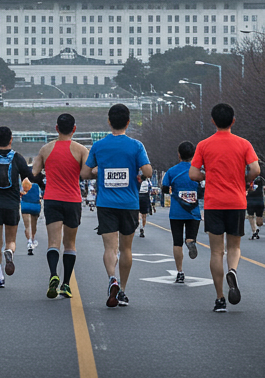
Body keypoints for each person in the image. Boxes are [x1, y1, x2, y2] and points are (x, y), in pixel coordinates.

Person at [189, 103, 261, 313]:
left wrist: (207, 177)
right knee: (234, 247)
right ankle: (233, 270)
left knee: (216, 252)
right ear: (233, 121)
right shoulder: (244, 144)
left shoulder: (204, 145)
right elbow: (255, 169)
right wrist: (244, 180)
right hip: (237, 201)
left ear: (213, 121)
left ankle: (220, 298)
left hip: (214, 203)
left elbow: (193, 174)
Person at [84, 104, 151, 308]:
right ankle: (122, 290)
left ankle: (111, 277)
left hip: (106, 204)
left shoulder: (98, 146)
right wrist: (137, 171)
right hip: (129, 203)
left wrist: (98, 172)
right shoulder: (136, 146)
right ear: (128, 123)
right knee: (126, 248)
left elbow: (84, 174)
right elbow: (147, 171)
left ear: (109, 122)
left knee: (109, 248)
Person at [31, 114, 88, 300]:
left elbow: (34, 173)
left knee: (53, 242)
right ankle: (65, 284)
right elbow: (87, 173)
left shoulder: (45, 149)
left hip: (52, 199)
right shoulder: (81, 150)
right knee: (70, 244)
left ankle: (53, 273)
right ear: (74, 128)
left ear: (56, 128)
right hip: (72, 200)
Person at [0, 127, 35, 288]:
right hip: (11, 204)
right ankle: (9, 252)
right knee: (10, 240)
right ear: (11, 139)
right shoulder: (17, 158)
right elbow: (29, 177)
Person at [158, 142, 203, 283]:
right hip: (194, 211)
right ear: (194, 155)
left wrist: (172, 190)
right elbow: (203, 190)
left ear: (179, 155)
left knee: (177, 242)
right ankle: (190, 241)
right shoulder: (198, 171)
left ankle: (180, 272)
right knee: (190, 237)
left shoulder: (172, 171)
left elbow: (164, 188)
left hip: (177, 211)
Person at [21, 177, 42, 256]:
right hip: (35, 206)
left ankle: (29, 241)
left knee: (27, 226)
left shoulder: (24, 185)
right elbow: (39, 197)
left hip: (25, 205)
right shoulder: (37, 186)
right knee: (34, 225)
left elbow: (20, 193)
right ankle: (32, 239)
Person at [246, 174, 265, 239]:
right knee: (259, 221)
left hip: (250, 201)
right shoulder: (260, 178)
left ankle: (254, 230)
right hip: (259, 202)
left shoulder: (247, 180)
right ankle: (257, 228)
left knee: (251, 216)